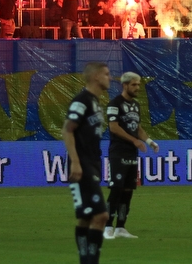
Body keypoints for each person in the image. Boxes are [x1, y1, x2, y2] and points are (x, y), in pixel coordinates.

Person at [63, 62, 111, 264]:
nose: (110, 78)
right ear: (96, 77)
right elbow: (67, 129)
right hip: (81, 164)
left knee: (86, 217)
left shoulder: (95, 103)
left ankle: (86, 259)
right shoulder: (81, 101)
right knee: (101, 216)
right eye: (106, 74)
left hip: (92, 163)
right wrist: (75, 162)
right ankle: (91, 260)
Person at [104, 72, 159, 240]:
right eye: (134, 85)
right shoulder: (115, 104)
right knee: (116, 189)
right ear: (125, 85)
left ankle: (120, 227)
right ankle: (107, 227)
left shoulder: (135, 105)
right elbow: (114, 127)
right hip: (118, 152)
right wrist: (134, 140)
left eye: (139, 85)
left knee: (128, 190)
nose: (137, 88)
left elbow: (137, 127)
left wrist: (149, 141)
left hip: (131, 153)